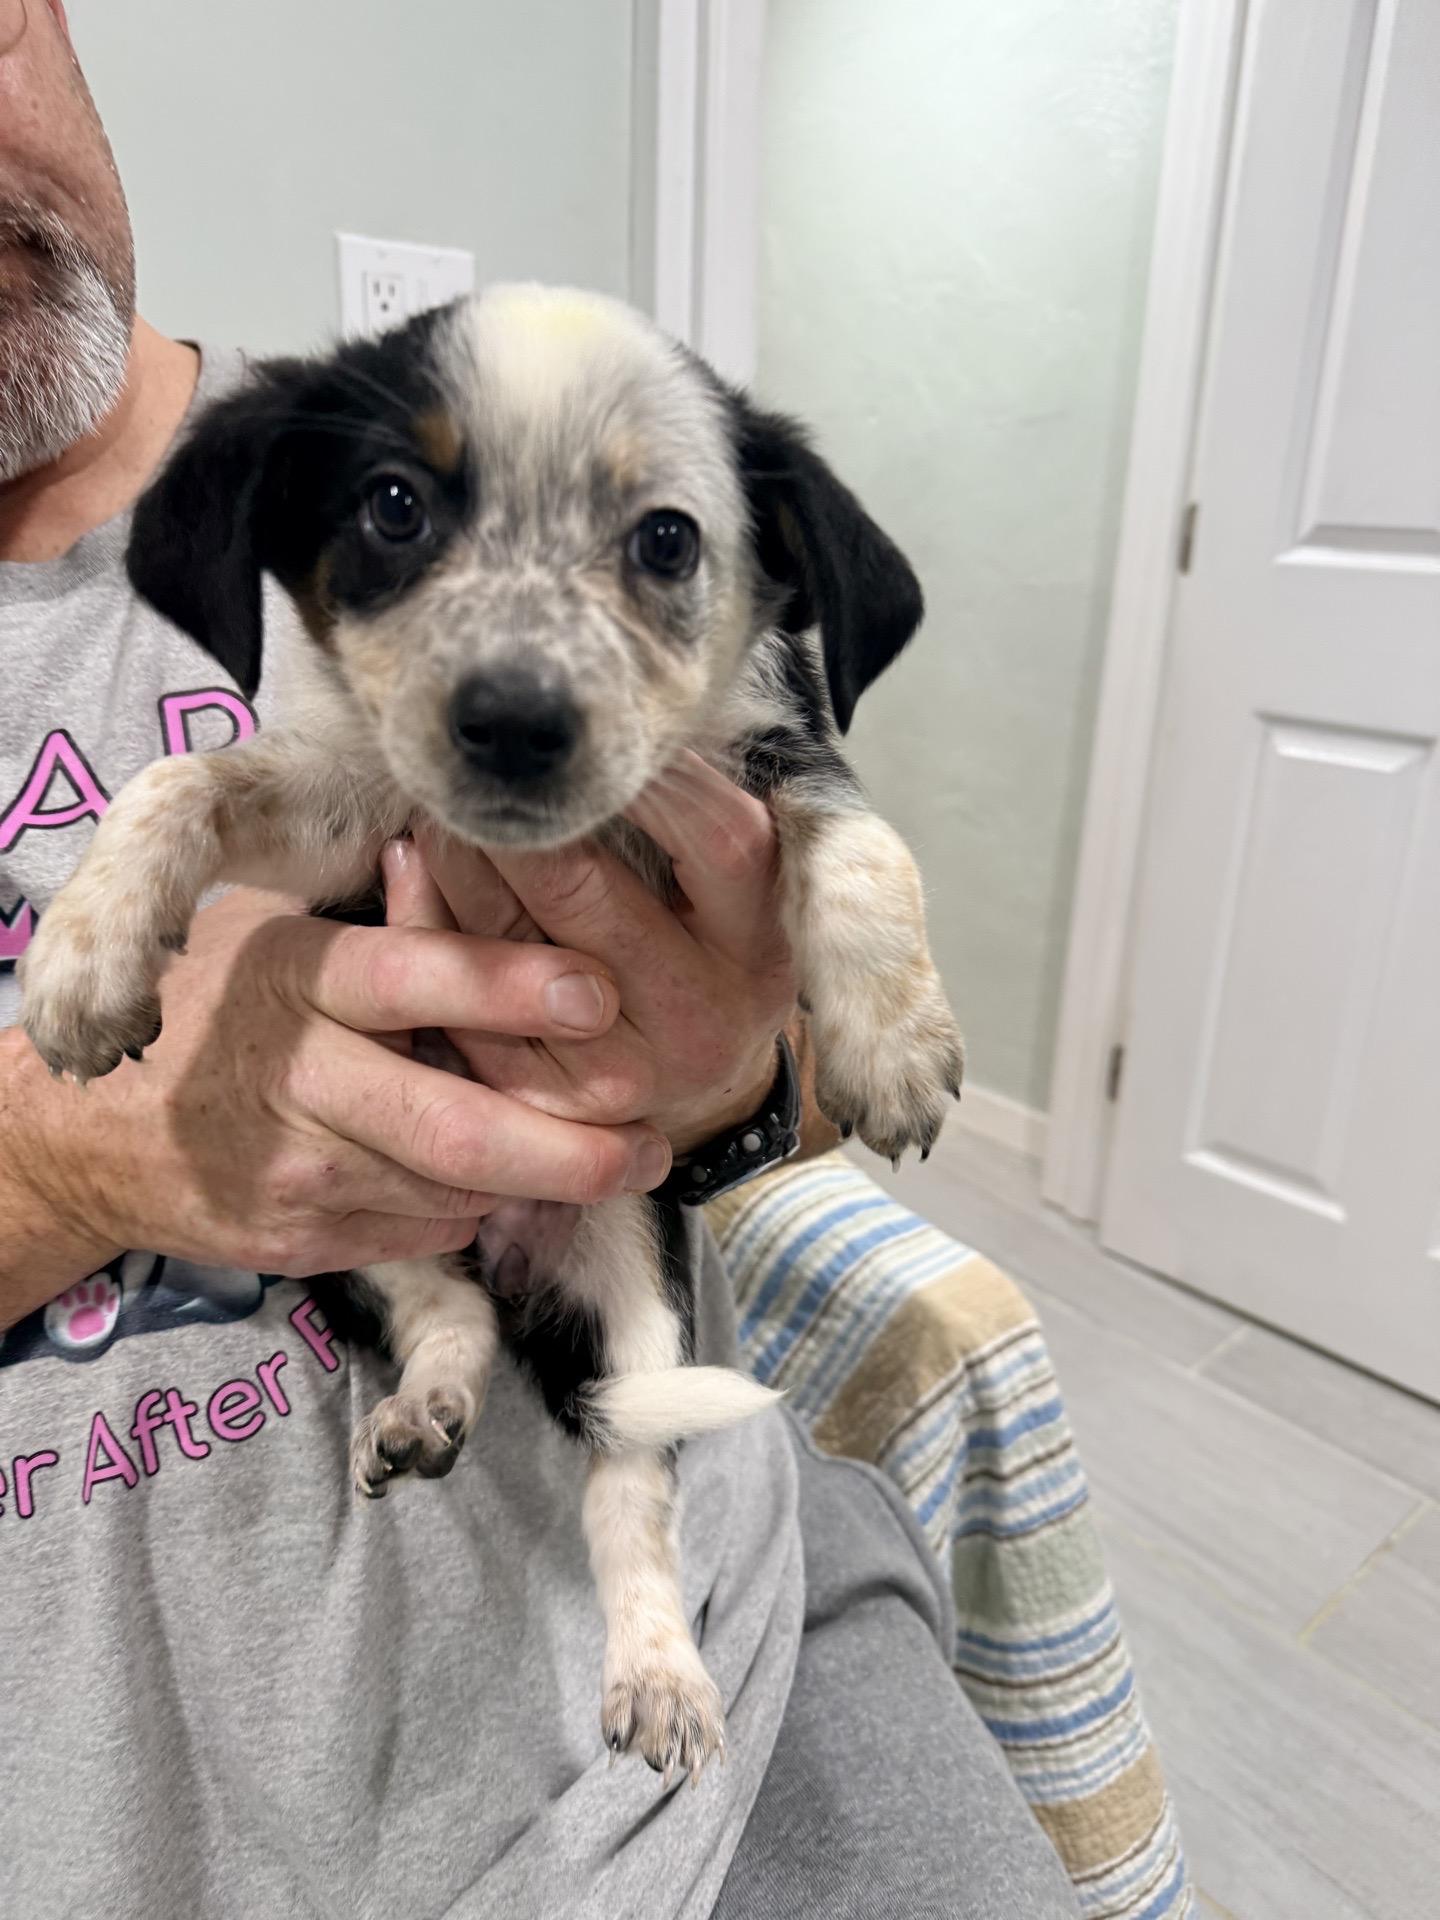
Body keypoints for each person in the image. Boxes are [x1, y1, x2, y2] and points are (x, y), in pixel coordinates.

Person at [0, 5, 1079, 1915]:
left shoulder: (306, 440)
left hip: (696, 1637)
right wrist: (55, 1159)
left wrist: (749, 1073)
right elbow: (269, 808)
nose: (515, 669)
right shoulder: (301, 508)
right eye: (404, 519)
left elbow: (800, 985)